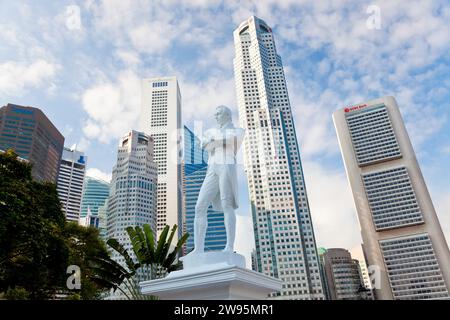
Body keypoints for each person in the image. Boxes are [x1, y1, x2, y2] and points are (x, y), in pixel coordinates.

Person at [190, 105, 244, 255]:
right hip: (212, 168)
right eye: (215, 114)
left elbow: (231, 141)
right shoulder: (213, 132)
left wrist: (214, 141)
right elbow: (205, 145)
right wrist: (216, 141)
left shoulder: (238, 130)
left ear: (227, 115)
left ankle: (229, 246)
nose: (215, 117)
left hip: (226, 164)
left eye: (218, 113)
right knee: (199, 207)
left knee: (227, 204)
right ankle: (198, 249)